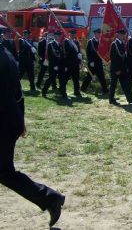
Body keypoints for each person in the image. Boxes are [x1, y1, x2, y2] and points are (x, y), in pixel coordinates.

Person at [0, 44, 65, 227]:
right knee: (4, 171)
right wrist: (21, 120)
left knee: (4, 171)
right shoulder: (6, 54)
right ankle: (50, 198)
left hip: (4, 122)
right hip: (10, 119)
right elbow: (18, 93)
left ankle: (50, 198)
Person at [109, 29, 132, 105]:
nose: (122, 36)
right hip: (115, 69)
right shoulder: (114, 44)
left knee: (125, 84)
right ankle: (111, 99)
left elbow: (124, 57)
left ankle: (130, 100)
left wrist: (125, 67)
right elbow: (112, 58)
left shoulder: (122, 44)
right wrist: (117, 69)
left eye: (123, 35)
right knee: (113, 84)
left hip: (122, 69)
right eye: (121, 34)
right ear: (117, 35)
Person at [81, 28, 108, 94]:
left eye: (99, 34)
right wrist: (90, 61)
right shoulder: (91, 42)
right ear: (95, 34)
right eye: (97, 33)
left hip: (99, 62)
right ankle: (82, 90)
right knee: (89, 77)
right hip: (92, 63)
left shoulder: (101, 42)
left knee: (101, 77)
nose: (98, 35)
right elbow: (88, 52)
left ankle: (105, 91)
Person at [42, 31, 65, 98]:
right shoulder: (51, 44)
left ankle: (63, 94)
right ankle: (44, 91)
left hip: (60, 65)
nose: (59, 37)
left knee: (62, 79)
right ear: (54, 36)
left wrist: (64, 65)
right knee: (51, 79)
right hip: (53, 65)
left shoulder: (60, 44)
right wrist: (55, 65)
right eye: (57, 36)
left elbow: (62, 56)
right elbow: (50, 56)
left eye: (60, 36)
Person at [62, 29, 82, 98]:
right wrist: (76, 54)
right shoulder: (66, 41)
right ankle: (63, 92)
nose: (73, 35)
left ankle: (77, 92)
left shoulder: (76, 42)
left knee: (76, 79)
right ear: (69, 34)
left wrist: (79, 60)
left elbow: (78, 51)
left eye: (74, 34)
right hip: (69, 63)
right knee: (66, 78)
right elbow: (66, 52)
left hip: (76, 63)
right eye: (72, 34)